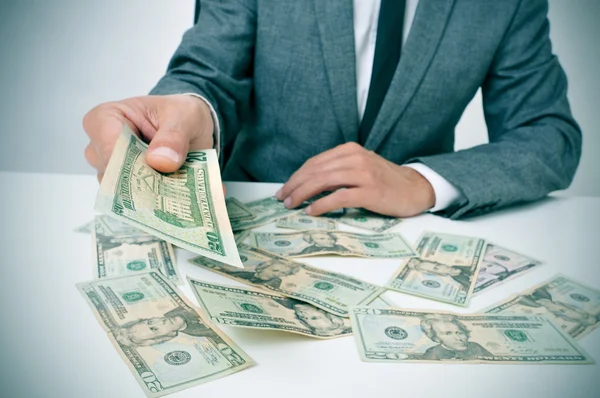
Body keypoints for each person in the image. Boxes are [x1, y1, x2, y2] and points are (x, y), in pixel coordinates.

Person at [83, 0, 581, 220]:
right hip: (261, 211)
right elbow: (209, 72)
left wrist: (423, 182)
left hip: (409, 238)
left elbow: (547, 134)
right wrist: (187, 108)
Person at [114, 306, 216, 347]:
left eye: (150, 322)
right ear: (167, 336)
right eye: (155, 329)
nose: (160, 321)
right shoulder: (200, 331)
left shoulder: (174, 310)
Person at [419, 314, 492, 361]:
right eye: (448, 333)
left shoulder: (475, 347)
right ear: (436, 338)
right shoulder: (432, 353)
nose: (458, 338)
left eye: (460, 333)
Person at [228, 259, 301, 289]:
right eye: (275, 270)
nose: (277, 274)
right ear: (263, 267)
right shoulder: (242, 274)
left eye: (283, 273)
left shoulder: (275, 281)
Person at [408, 259, 473, 291]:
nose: (442, 267)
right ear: (439, 274)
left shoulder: (467, 265)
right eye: (436, 269)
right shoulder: (459, 283)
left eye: (438, 264)